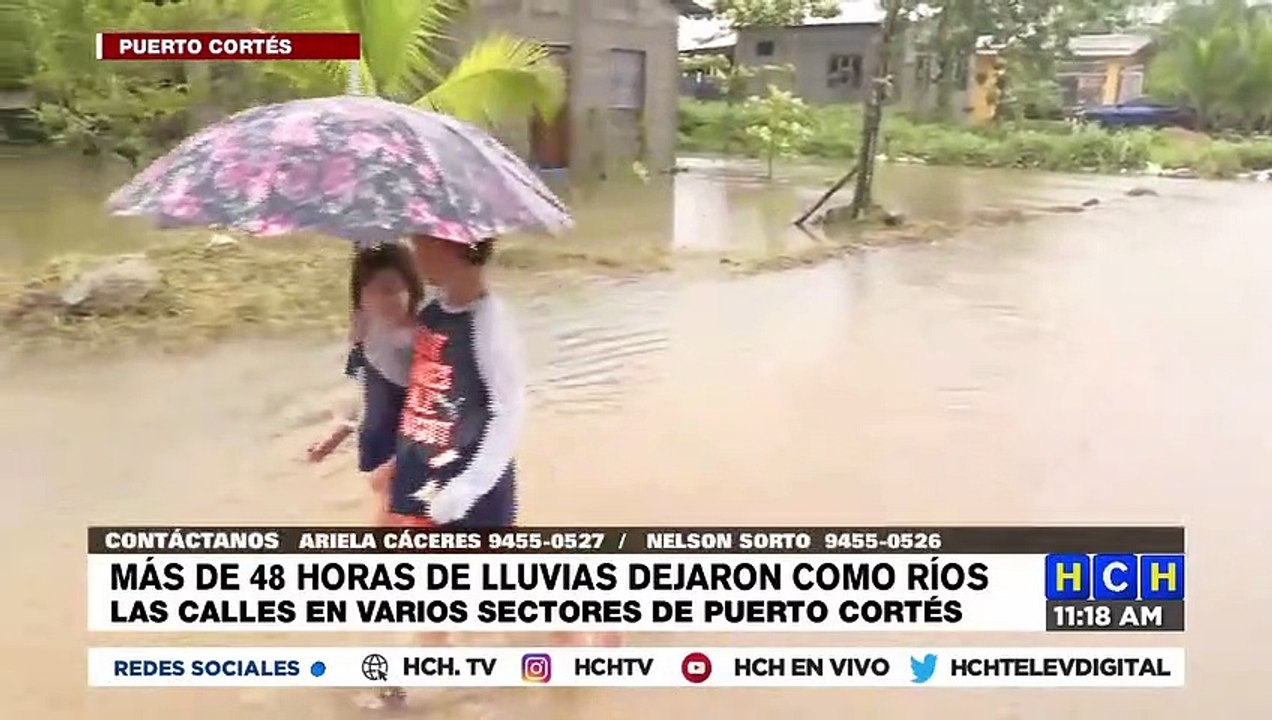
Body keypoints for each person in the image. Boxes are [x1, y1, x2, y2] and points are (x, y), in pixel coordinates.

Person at [370, 234, 619, 648]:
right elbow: (427, 382)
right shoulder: (434, 310)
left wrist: (468, 486)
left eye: (423, 245)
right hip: (426, 472)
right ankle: (406, 684)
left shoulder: (489, 322)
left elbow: (509, 411)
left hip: (470, 483)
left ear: (456, 247)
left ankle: (581, 640)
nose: (416, 255)